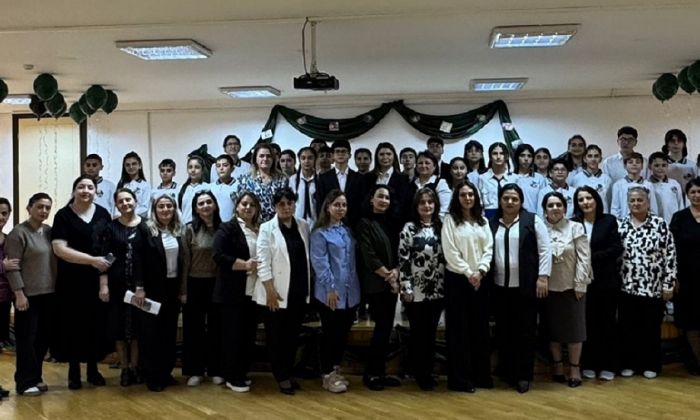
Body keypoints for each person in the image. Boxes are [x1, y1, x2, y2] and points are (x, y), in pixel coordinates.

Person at [489, 183, 552, 393]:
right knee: (504, 331)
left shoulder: (532, 220)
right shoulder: (491, 223)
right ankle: (508, 371)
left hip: (526, 287)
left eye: (514, 199)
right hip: (499, 287)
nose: (510, 202)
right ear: (500, 200)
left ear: (521, 201)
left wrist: (543, 276)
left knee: (525, 332)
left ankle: (524, 375)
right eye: (506, 198)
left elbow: (545, 249)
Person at [51, 176, 113, 390]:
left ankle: (93, 369)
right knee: (72, 324)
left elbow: (109, 251)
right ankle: (74, 371)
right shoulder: (63, 215)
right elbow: (59, 249)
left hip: (96, 279)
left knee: (95, 324)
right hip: (70, 280)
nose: (86, 190)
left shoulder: (103, 214)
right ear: (74, 191)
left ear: (96, 191)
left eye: (90, 187)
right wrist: (92, 260)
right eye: (81, 187)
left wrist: (104, 281)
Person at [255, 187, 311, 395]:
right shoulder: (266, 228)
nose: (286, 207)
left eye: (290, 203)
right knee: (276, 338)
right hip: (275, 293)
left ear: (295, 204)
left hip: (298, 290)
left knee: (292, 337)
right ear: (275, 206)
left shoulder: (303, 225)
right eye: (281, 204)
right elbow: (262, 262)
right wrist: (269, 290)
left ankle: (289, 372)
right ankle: (281, 376)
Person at [618, 187, 676, 379]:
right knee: (628, 328)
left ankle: (650, 364)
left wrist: (669, 283)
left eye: (640, 200)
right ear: (628, 203)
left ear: (648, 202)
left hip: (653, 287)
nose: (636, 204)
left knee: (650, 328)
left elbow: (670, 255)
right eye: (632, 200)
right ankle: (629, 364)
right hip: (626, 287)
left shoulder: (660, 225)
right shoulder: (621, 225)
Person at [441, 181, 493, 392]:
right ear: (457, 198)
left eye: (471, 194)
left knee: (480, 329)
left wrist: (481, 270)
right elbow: (450, 252)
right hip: (458, 280)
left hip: (481, 279)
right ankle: (460, 379)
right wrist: (468, 272)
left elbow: (489, 248)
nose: (468, 198)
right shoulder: (450, 220)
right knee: (459, 331)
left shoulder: (483, 221)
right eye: (463, 195)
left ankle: (481, 375)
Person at [310, 190, 360, 393]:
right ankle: (327, 374)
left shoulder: (347, 231)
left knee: (342, 335)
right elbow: (320, 263)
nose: (341, 208)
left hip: (350, 293)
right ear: (328, 207)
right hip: (330, 293)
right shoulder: (320, 233)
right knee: (330, 334)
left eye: (344, 205)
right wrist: (330, 288)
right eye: (337, 205)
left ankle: (336, 370)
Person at [6, 193, 55, 396]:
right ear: (29, 208)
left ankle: (36, 377)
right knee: (26, 339)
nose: (44, 211)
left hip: (49, 293)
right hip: (27, 295)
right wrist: (19, 293)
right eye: (40, 206)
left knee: (42, 338)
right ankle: (24, 382)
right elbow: (12, 267)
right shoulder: (18, 233)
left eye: (47, 208)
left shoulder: (49, 231)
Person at [98, 188, 149, 387]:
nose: (125, 203)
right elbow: (107, 257)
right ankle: (125, 369)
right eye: (121, 201)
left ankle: (136, 367)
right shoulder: (111, 228)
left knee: (137, 330)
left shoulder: (146, 226)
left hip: (140, 287)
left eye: (128, 199)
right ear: (116, 205)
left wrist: (141, 286)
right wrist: (104, 284)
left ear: (135, 201)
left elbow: (147, 258)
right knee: (118, 329)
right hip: (117, 286)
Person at [572, 186, 623, 381]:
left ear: (596, 200)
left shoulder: (608, 220)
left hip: (606, 280)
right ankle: (589, 364)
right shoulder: (573, 223)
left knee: (607, 323)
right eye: (581, 199)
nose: (585, 202)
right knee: (588, 323)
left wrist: (588, 258)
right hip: (582, 281)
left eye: (589, 198)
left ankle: (608, 365)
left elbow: (616, 248)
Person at [541, 191, 592, 388]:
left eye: (559, 205)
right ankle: (557, 366)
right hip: (547, 287)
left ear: (565, 207)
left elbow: (584, 257)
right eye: (550, 205)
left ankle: (574, 368)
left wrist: (580, 283)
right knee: (552, 329)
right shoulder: (539, 227)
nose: (555, 208)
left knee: (575, 330)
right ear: (545, 209)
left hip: (572, 286)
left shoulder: (575, 227)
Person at [213, 192, 262, 393]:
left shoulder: (259, 229)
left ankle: (241, 372)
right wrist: (244, 264)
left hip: (254, 290)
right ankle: (232, 376)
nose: (248, 208)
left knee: (248, 335)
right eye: (244, 204)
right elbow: (218, 255)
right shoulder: (227, 228)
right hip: (232, 291)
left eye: (252, 205)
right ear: (237, 207)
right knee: (233, 335)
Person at [398, 188, 445, 391]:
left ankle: (428, 370)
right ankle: (420, 373)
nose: (427, 206)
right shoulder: (409, 228)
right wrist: (406, 287)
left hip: (438, 289)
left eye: (430, 202)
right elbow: (403, 260)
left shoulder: (441, 226)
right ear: (416, 206)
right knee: (419, 333)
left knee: (431, 333)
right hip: (416, 290)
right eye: (422, 202)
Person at [356, 184, 401, 391]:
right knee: (380, 329)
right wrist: (389, 276)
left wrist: (396, 272)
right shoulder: (364, 223)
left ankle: (381, 372)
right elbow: (369, 255)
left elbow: (399, 251)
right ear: (371, 199)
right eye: (380, 196)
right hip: (376, 283)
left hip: (392, 281)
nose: (384, 200)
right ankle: (371, 374)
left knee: (386, 329)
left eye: (387, 198)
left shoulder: (393, 223)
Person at [140, 194, 185, 391]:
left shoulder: (178, 231)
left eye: (169, 206)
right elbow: (139, 261)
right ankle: (152, 375)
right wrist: (139, 287)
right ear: (154, 210)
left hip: (172, 288)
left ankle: (166, 372)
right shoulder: (146, 230)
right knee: (151, 333)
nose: (165, 209)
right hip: (152, 289)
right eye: (161, 206)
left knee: (168, 332)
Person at [181, 191, 223, 386]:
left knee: (217, 328)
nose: (205, 206)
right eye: (201, 203)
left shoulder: (224, 229)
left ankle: (216, 369)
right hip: (194, 283)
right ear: (196, 209)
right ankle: (194, 371)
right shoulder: (189, 229)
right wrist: (183, 290)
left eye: (208, 202)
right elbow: (185, 261)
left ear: (215, 205)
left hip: (218, 284)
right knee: (193, 329)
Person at [669, 178, 700, 375]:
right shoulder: (679, 217)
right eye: (693, 192)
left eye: (699, 192)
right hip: (687, 278)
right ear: (687, 195)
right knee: (691, 322)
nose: (697, 195)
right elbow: (671, 249)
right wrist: (674, 276)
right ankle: (697, 361)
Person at [233, 142, 289, 223]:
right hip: (252, 224)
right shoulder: (244, 180)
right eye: (261, 156)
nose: (265, 159)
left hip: (277, 224)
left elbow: (285, 204)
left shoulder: (282, 179)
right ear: (255, 159)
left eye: (268, 156)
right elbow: (240, 206)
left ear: (273, 159)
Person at [316, 140, 365, 228]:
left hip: (354, 223)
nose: (340, 154)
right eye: (337, 151)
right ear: (332, 155)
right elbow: (320, 202)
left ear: (349, 155)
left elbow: (362, 202)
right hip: (330, 223)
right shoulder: (324, 178)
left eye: (343, 151)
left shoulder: (359, 178)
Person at [364, 142, 411, 223]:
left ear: (394, 156)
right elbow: (365, 201)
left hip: (395, 222)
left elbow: (404, 204)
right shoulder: (368, 177)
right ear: (376, 157)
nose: (385, 157)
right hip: (371, 222)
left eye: (388, 154)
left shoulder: (403, 178)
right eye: (381, 154)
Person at [610, 152, 658, 220]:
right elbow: (615, 209)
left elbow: (653, 208)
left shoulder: (648, 185)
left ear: (642, 166)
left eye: (637, 162)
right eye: (630, 162)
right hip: (624, 223)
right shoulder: (618, 185)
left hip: (645, 223)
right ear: (625, 166)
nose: (634, 164)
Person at [409, 151, 451, 220]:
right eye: (420, 163)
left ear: (434, 166)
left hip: (435, 223)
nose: (423, 166)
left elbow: (444, 209)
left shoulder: (440, 183)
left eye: (427, 163)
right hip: (413, 223)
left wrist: (436, 223)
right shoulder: (411, 184)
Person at [570, 145, 612, 213]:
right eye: (590, 156)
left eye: (596, 156)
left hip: (602, 215)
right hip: (583, 216)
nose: (593, 159)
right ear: (584, 159)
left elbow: (610, 202)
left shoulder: (607, 179)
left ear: (600, 159)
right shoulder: (576, 179)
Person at [478, 142, 516, 217]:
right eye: (495, 153)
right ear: (490, 157)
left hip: (510, 215)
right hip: (489, 215)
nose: (498, 157)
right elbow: (479, 204)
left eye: (502, 153)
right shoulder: (482, 178)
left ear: (506, 156)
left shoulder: (514, 178)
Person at [0, 197, 17, 359]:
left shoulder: (8, 239)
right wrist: (2, 266)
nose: (1, 217)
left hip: (5, 297)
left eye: (4, 213)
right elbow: (6, 266)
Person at [648, 152, 683, 224]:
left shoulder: (674, 184)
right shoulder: (646, 185)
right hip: (655, 223)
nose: (660, 168)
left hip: (674, 222)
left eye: (664, 165)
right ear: (650, 166)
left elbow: (680, 205)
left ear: (667, 166)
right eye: (657, 165)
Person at [512, 143, 547, 213]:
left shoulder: (539, 179)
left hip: (534, 216)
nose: (526, 159)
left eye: (529, 156)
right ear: (517, 158)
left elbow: (543, 202)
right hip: (513, 216)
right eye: (522, 155)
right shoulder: (509, 177)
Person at [117, 151, 152, 218]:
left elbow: (145, 208)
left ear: (140, 166)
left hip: (139, 220)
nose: (131, 167)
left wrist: (128, 214)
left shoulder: (145, 186)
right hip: (122, 220)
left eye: (134, 164)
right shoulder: (121, 185)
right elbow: (117, 205)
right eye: (127, 165)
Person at [289, 147, 318, 226]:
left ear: (315, 159)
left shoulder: (320, 179)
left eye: (310, 158)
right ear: (299, 160)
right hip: (297, 221)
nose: (306, 161)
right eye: (303, 158)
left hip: (316, 221)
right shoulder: (293, 179)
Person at [178, 156, 211, 225]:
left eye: (197, 167)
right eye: (190, 167)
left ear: (202, 170)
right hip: (185, 227)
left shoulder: (208, 188)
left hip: (203, 227)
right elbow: (177, 210)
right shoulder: (180, 188)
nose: (193, 170)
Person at [662, 129, 697, 194]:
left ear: (684, 144)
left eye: (679, 141)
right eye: (672, 141)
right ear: (667, 145)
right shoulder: (661, 165)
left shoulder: (692, 165)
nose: (676, 143)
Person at [210, 154, 237, 222]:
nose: (221, 168)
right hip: (214, 225)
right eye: (218, 166)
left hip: (232, 225)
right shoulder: (210, 187)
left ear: (232, 168)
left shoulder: (239, 186)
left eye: (225, 165)